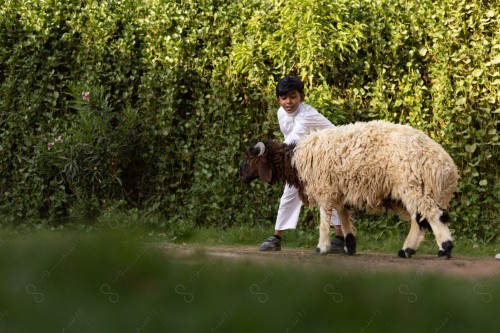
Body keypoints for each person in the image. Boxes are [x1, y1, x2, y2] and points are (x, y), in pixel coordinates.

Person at [259, 76, 345, 253]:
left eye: (292, 97)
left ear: (301, 97)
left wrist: (268, 153)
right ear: (278, 100)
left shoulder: (307, 115)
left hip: (331, 155)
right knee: (289, 194)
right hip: (306, 157)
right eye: (283, 98)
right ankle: (276, 238)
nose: (288, 102)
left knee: (328, 196)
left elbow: (291, 139)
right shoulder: (281, 113)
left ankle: (340, 238)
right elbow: (288, 141)